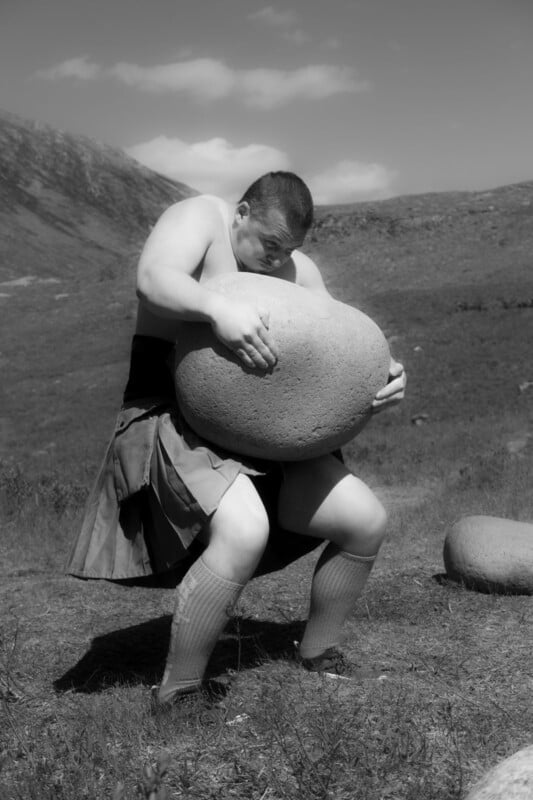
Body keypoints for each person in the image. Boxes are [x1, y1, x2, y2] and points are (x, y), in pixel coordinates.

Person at [67, 171, 406, 707]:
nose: (276, 258)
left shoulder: (298, 269)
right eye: (269, 242)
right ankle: (177, 696)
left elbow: (335, 346)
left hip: (266, 434)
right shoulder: (200, 216)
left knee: (365, 520)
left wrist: (384, 376)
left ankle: (318, 653)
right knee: (244, 530)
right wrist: (217, 308)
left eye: (288, 248)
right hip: (169, 415)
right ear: (242, 212)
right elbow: (153, 277)